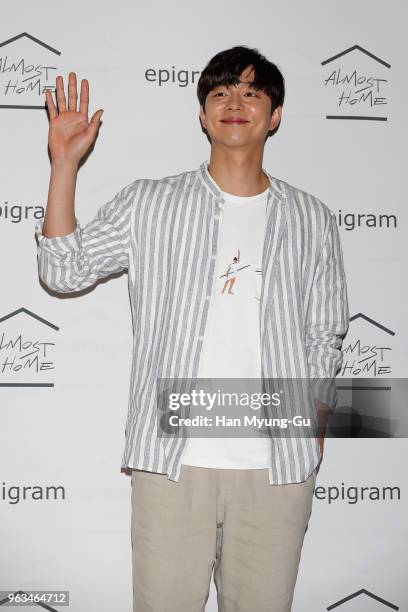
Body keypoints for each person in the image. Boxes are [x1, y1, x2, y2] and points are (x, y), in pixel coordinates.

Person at [35, 45, 349, 612]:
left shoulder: (313, 218)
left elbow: (326, 332)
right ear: (203, 114)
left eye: (253, 92)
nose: (235, 102)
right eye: (221, 92)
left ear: (274, 115)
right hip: (172, 462)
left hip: (277, 468)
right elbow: (63, 270)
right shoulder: (150, 203)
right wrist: (63, 165)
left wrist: (317, 418)